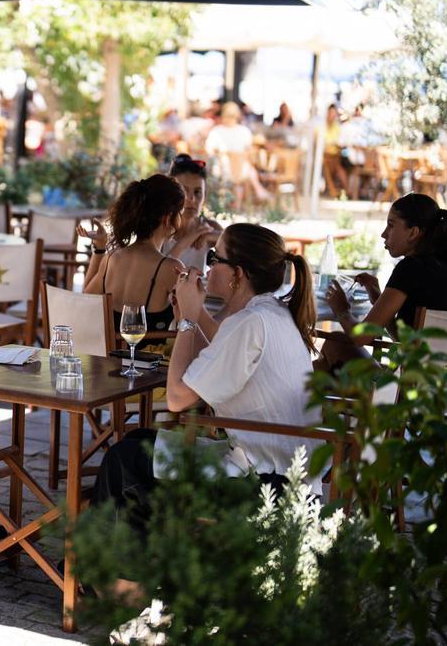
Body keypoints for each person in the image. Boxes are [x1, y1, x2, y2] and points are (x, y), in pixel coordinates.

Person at [93, 223, 320, 537]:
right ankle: (120, 569)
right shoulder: (270, 313)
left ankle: (119, 578)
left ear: (237, 274)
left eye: (215, 258)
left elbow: (177, 399)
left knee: (125, 461)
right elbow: (220, 351)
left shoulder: (249, 323)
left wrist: (187, 320)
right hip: (284, 468)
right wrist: (195, 313)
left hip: (268, 483)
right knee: (136, 443)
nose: (207, 266)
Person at [321, 192, 447, 367]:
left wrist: (342, 309)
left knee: (336, 343)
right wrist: (378, 298)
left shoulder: (411, 268)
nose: (384, 234)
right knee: (323, 368)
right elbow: (406, 341)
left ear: (413, 232)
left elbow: (362, 336)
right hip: (440, 390)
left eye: (391, 225)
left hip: (403, 390)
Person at [79, 174, 187, 342]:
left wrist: (100, 248)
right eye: (180, 213)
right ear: (167, 218)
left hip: (108, 363)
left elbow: (86, 297)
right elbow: (190, 322)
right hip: (147, 366)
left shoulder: (112, 259)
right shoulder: (171, 269)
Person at [162, 154, 222, 270]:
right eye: (183, 191)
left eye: (197, 192)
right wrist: (186, 241)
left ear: (205, 196)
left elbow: (246, 255)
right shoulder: (160, 229)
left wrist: (214, 236)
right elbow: (158, 271)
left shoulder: (210, 228)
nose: (191, 199)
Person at [322, 103, 349, 199]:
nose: (332, 116)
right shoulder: (322, 126)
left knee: (339, 169)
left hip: (335, 157)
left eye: (334, 114)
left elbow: (340, 142)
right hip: (324, 158)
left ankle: (346, 193)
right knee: (328, 167)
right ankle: (332, 191)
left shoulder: (337, 127)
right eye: (331, 113)